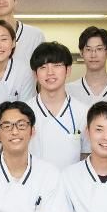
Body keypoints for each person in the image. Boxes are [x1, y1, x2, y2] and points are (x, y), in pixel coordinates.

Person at [27, 42, 90, 171]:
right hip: (35, 182)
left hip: (71, 181)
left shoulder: (83, 112)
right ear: (35, 74)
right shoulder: (24, 111)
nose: (50, 72)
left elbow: (86, 154)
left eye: (57, 65)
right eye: (43, 67)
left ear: (68, 70)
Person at [66, 26, 107, 108]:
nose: (93, 55)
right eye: (88, 49)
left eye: (99, 49)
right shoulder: (69, 90)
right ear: (81, 53)